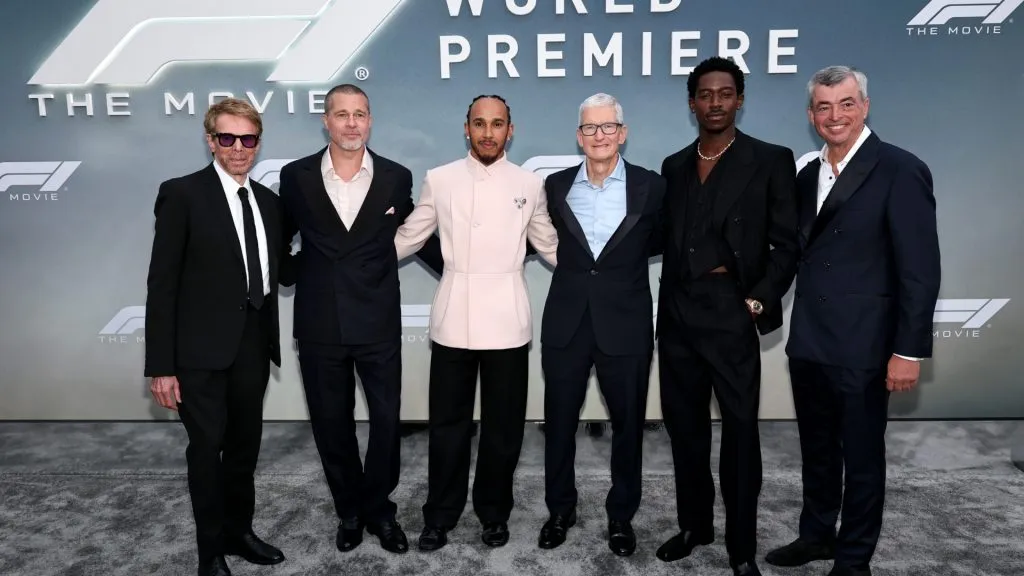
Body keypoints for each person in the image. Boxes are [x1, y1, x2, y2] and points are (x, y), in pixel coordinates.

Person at [766, 66, 940, 576]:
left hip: (866, 344)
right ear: (810, 115)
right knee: (817, 450)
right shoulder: (805, 174)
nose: (834, 115)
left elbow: (920, 269)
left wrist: (908, 350)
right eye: (823, 106)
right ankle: (817, 535)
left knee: (862, 457)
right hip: (811, 341)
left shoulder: (899, 168)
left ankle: (854, 556)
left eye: (845, 104)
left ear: (864, 106)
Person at [277, 84, 443, 555]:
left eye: (361, 114)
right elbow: (277, 240)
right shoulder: (296, 176)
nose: (352, 123)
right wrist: (300, 274)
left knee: (387, 422)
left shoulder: (395, 177)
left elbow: (419, 235)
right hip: (319, 324)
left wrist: (465, 268)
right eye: (342, 114)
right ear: (326, 121)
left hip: (377, 322)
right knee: (332, 425)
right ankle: (349, 510)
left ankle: (379, 510)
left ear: (370, 121)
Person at [655, 56, 799, 576]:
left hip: (731, 312)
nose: (714, 103)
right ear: (691, 101)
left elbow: (787, 244)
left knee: (740, 434)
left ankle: (741, 548)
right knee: (685, 429)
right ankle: (695, 526)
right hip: (676, 315)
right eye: (705, 94)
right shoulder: (673, 166)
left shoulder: (770, 159)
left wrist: (756, 301)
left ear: (740, 99)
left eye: (725, 93)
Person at [394, 94, 558, 551]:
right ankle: (440, 516)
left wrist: (603, 274)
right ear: (466, 128)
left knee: (503, 429)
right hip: (454, 317)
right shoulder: (440, 179)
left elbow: (550, 245)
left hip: (508, 318)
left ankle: (494, 513)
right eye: (480, 124)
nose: (488, 132)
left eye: (498, 124)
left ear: (511, 129)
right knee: (449, 426)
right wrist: (352, 266)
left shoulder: (529, 182)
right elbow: (408, 237)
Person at [145, 98, 289, 576]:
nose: (239, 148)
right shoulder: (182, 194)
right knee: (207, 453)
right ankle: (211, 553)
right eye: (227, 138)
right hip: (199, 354)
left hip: (253, 345)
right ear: (211, 140)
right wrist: (161, 365)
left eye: (248, 139)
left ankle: (239, 532)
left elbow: (280, 271)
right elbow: (162, 283)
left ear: (258, 142)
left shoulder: (269, 202)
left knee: (245, 449)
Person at [537, 93, 665, 556]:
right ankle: (560, 510)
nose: (599, 135)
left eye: (608, 127)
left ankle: (620, 516)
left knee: (628, 427)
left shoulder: (652, 187)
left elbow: (663, 241)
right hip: (566, 324)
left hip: (626, 325)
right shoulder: (553, 187)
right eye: (590, 128)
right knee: (559, 424)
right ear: (578, 136)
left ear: (623, 133)